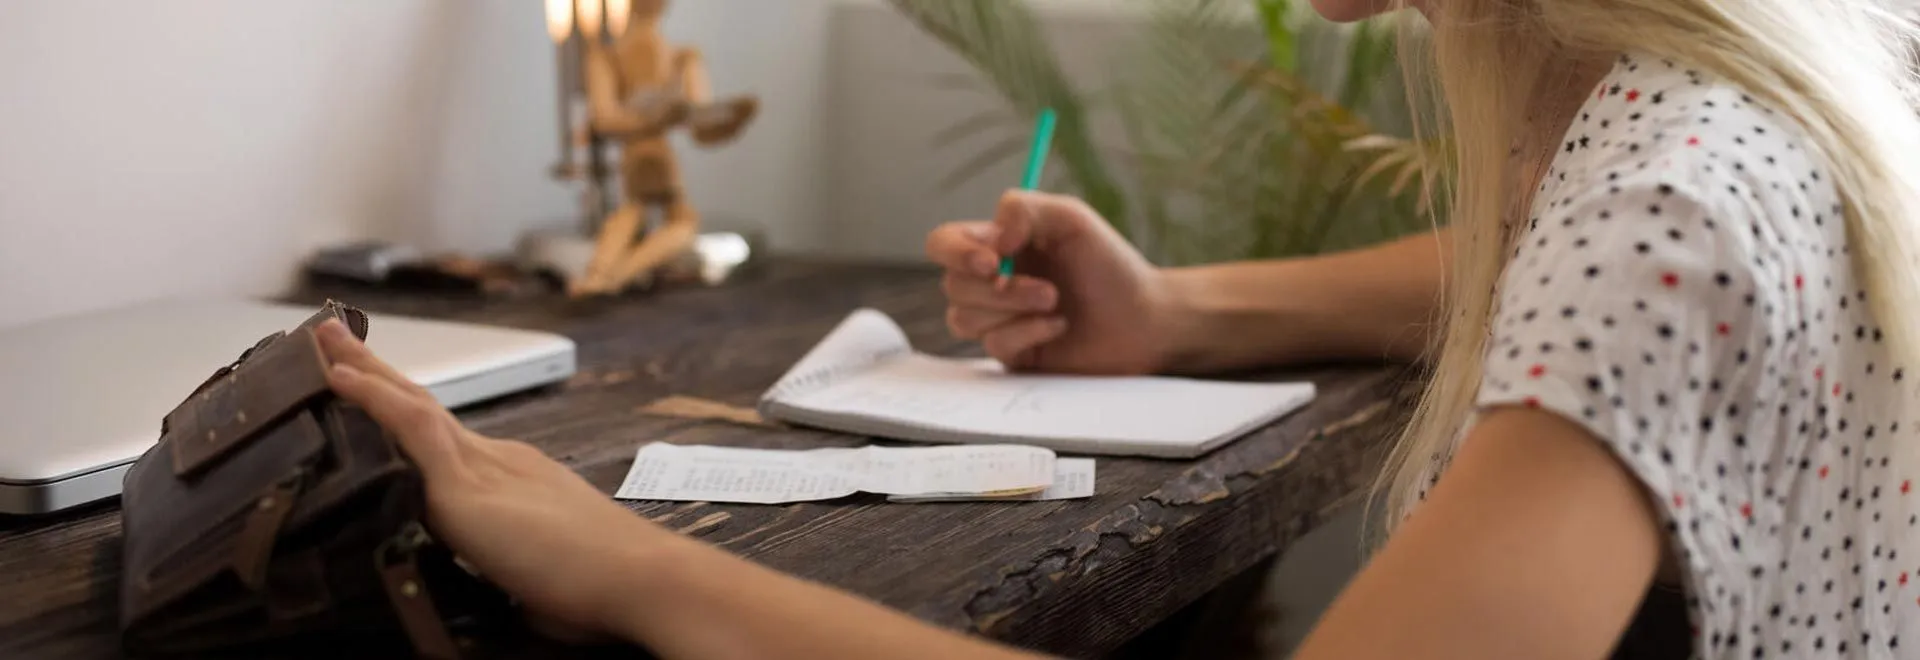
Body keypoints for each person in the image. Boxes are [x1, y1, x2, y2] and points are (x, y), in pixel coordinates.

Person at [317, 0, 1920, 657]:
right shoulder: (1782, 84)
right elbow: (1569, 279)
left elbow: (1638, 280)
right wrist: (1178, 311)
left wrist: (634, 569)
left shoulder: (1670, 213)